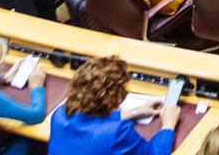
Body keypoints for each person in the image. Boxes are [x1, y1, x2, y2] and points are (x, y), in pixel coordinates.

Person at [46, 55, 177, 155]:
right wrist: (168, 126)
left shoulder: (59, 114)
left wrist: (134, 113)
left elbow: (91, 123)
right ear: (115, 96)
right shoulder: (117, 132)